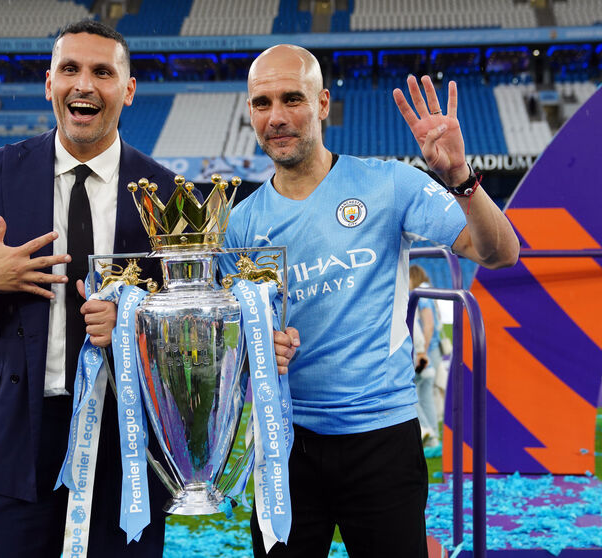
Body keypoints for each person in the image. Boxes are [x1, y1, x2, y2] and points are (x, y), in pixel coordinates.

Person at [220, 44, 519, 557]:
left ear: (322, 104)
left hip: (382, 439)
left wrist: (460, 179)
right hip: (285, 444)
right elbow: (233, 335)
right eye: (262, 103)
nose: (277, 117)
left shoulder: (388, 183)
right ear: (250, 111)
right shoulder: (241, 223)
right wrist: (255, 345)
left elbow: (500, 253)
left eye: (292, 98)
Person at [0, 20, 172, 558]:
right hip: (10, 439)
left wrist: (137, 320)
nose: (84, 84)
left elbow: (185, 325)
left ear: (127, 90)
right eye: (70, 69)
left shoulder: (167, 193)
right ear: (48, 82)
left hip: (124, 442)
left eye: (102, 72)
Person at [409, 264, 447, 444]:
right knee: (426, 393)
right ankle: (433, 437)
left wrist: (422, 350)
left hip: (425, 350)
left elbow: (428, 324)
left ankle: (426, 430)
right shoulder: (428, 291)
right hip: (431, 348)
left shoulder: (420, 293)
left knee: (412, 390)